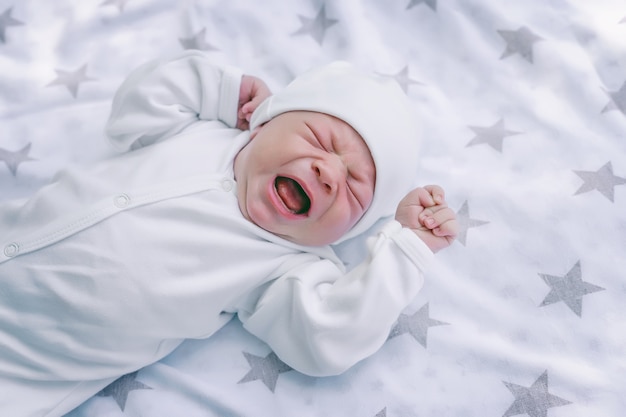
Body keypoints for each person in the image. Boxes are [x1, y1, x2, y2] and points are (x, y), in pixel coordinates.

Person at [0, 51, 457, 416]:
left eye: (355, 192)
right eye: (318, 140)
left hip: (23, 367)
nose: (328, 172)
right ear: (263, 122)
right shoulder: (197, 132)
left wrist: (406, 249)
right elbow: (135, 107)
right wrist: (221, 92)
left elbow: (331, 339)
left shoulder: (286, 264)